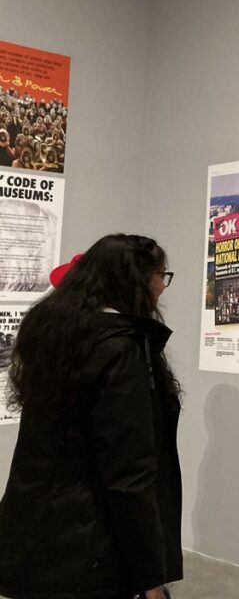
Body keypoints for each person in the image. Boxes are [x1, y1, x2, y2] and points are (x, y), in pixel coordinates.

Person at [0, 234, 182, 599]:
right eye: (160, 275)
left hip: (32, 534)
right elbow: (129, 474)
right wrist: (150, 578)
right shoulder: (119, 349)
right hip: (88, 549)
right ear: (135, 280)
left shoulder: (54, 332)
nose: (162, 286)